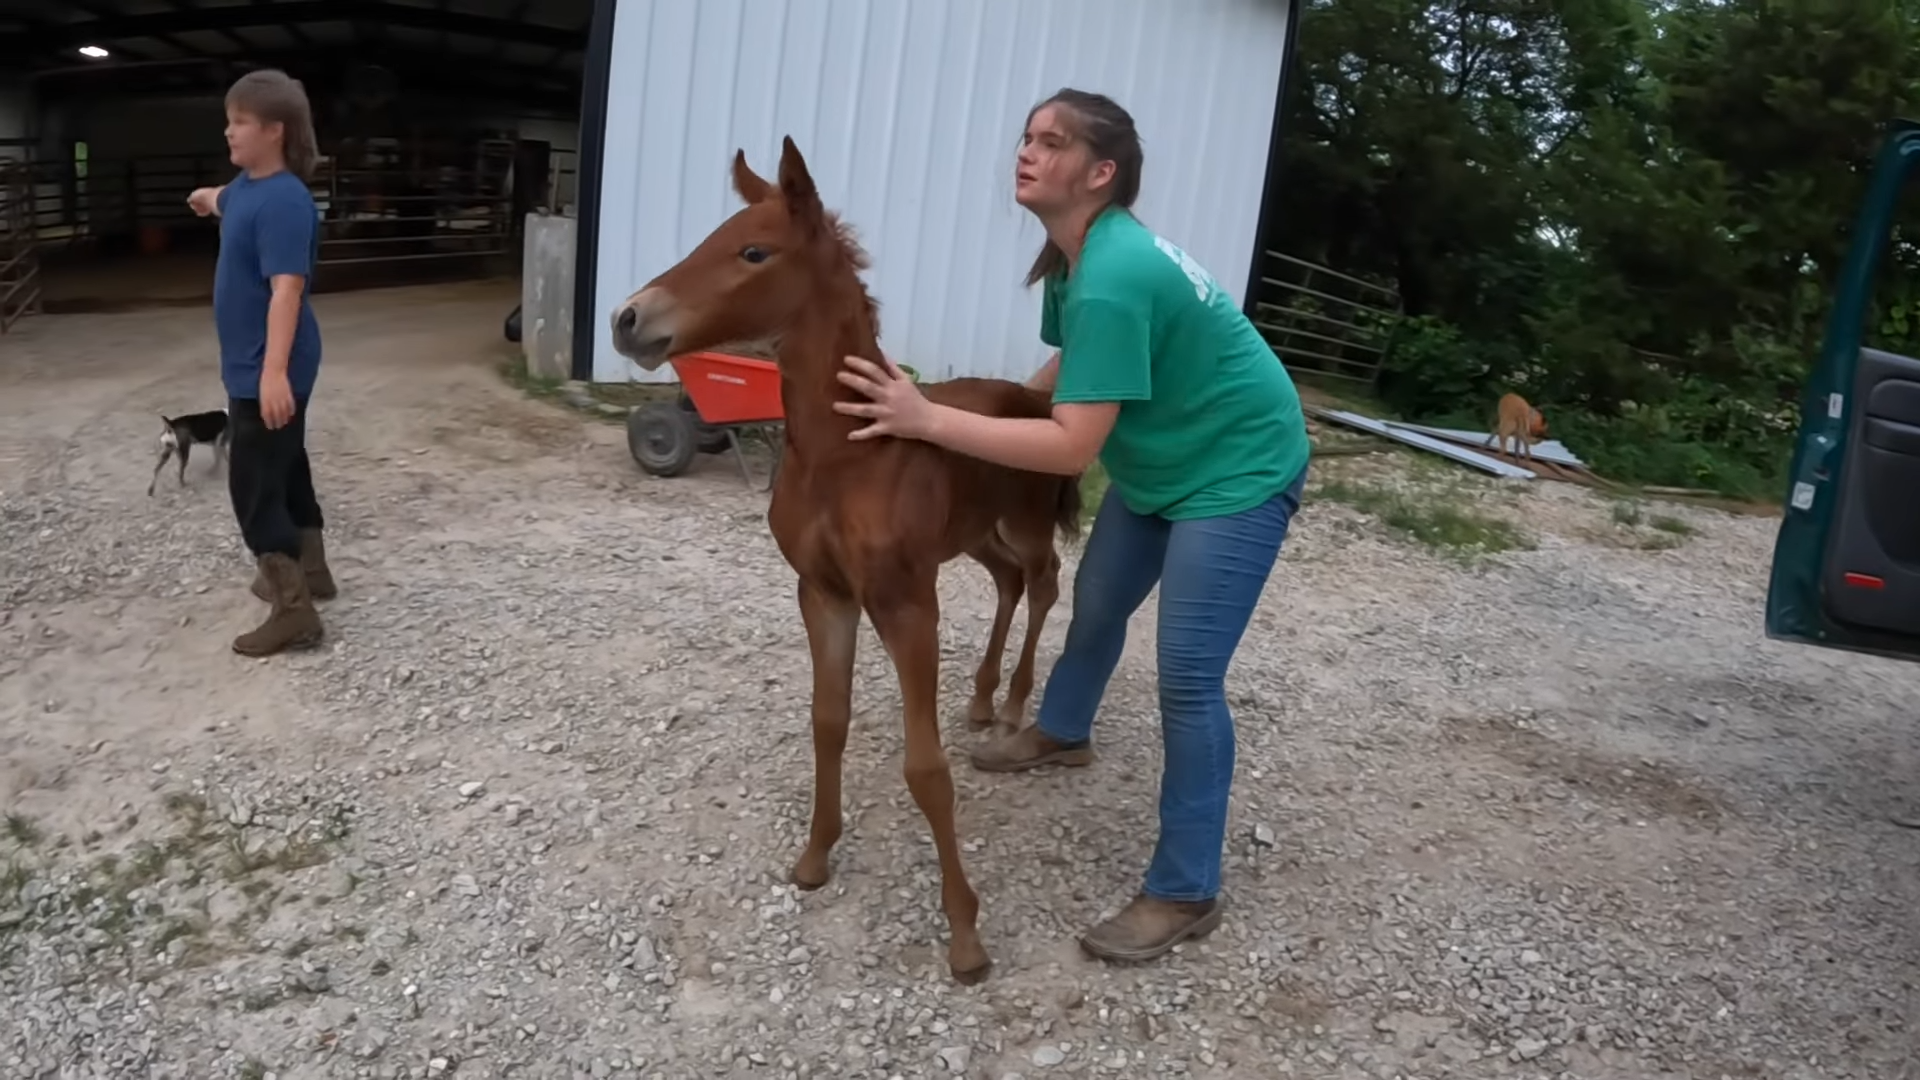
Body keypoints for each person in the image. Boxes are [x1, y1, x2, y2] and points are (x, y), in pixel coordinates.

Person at [831, 89, 1313, 963]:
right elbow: (1061, 377)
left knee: (1188, 678)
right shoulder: (1070, 260)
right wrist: (965, 411)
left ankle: (1184, 888)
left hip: (1237, 471)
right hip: (1161, 467)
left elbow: (1066, 448)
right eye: (1025, 136)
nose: (1026, 151)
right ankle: (1064, 729)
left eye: (1051, 142)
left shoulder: (1117, 273)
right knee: (1095, 605)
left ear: (1100, 173)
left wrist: (929, 419)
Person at [186, 69, 336, 657]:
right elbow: (231, 202)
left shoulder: (286, 203)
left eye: (240, 122)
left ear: (275, 130)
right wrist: (209, 197)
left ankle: (294, 610)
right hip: (254, 362)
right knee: (286, 463)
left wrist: (273, 373)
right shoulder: (248, 186)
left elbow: (287, 292)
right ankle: (315, 572)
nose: (229, 131)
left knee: (252, 485)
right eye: (230, 119)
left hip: (268, 365)